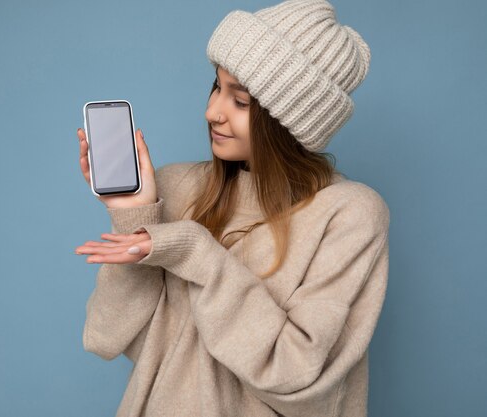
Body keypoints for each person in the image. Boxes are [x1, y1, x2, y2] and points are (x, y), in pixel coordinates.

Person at [75, 0, 390, 416]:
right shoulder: (178, 188)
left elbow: (295, 373)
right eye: (216, 87)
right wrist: (136, 216)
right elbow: (107, 338)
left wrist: (195, 252)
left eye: (240, 102)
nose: (212, 112)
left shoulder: (349, 214)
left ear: (289, 120)